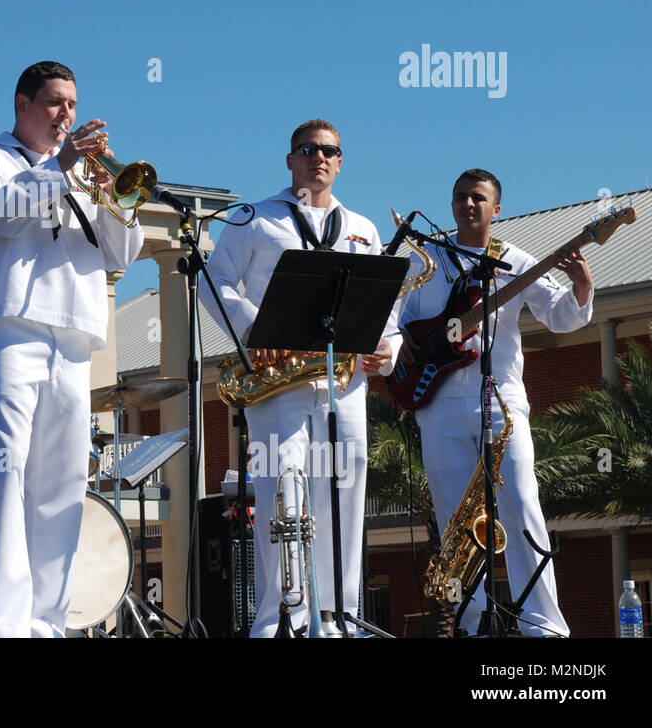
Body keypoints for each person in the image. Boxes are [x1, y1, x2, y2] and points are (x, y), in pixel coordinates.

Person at [0, 60, 144, 637]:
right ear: (23, 104)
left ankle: (47, 622)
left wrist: (115, 197)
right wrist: (60, 168)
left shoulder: (85, 172)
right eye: (56, 102)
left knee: (63, 480)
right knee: (6, 469)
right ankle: (1, 619)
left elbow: (121, 255)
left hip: (75, 330)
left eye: (73, 104)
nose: (67, 115)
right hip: (10, 326)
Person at [201, 119, 398, 637]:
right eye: (308, 149)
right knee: (280, 491)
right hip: (278, 381)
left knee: (344, 492)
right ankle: (282, 617)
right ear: (290, 159)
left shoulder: (363, 227)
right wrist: (250, 326)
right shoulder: (255, 218)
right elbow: (213, 279)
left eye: (330, 151)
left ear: (341, 161)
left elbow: (386, 308)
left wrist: (390, 348)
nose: (319, 158)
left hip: (345, 383)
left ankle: (337, 617)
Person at [398, 169, 592, 636]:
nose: (469, 204)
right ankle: (469, 623)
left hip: (500, 396)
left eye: (479, 198)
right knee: (454, 515)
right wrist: (398, 346)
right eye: (461, 197)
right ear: (451, 204)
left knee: (522, 502)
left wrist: (582, 286)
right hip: (437, 397)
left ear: (496, 208)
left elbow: (561, 316)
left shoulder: (518, 261)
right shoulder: (424, 260)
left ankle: (543, 626)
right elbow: (391, 318)